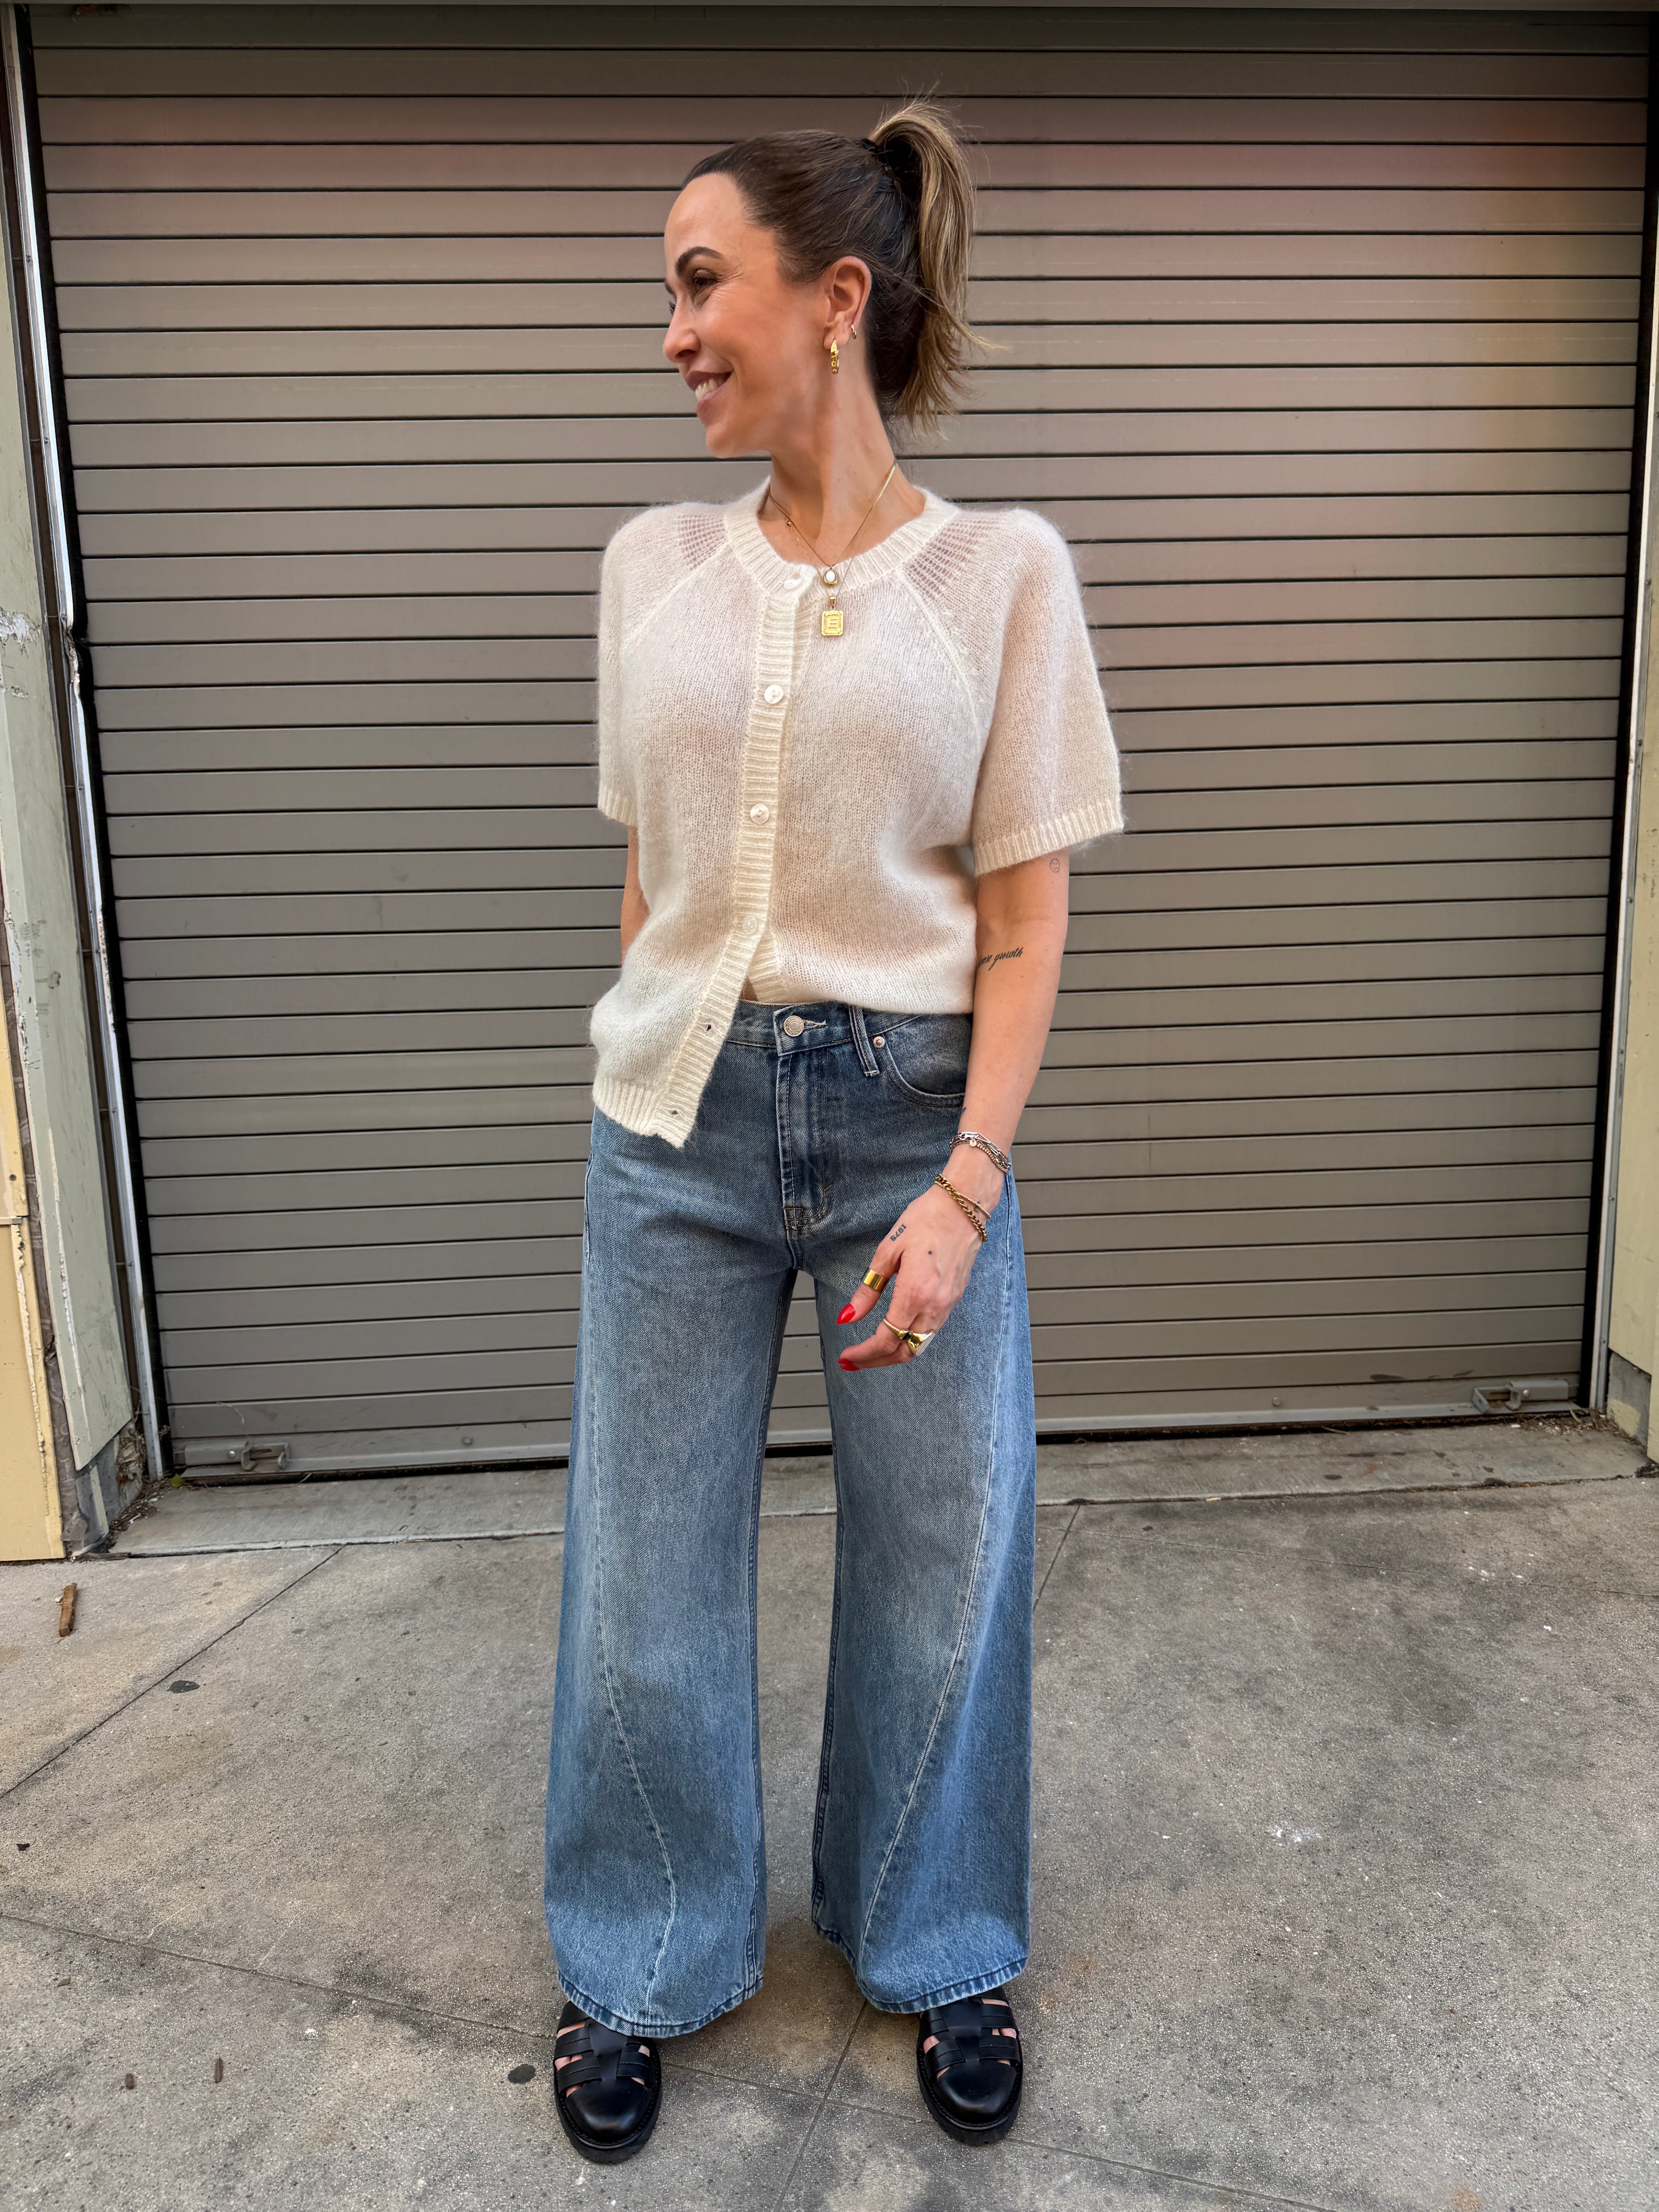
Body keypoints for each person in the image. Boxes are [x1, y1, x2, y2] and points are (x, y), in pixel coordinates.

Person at [543, 101, 1122, 2166]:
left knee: (946, 1554)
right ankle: (637, 1959)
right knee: (644, 1572)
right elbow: (649, 882)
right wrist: (637, 1061)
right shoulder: (650, 571)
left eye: (702, 283)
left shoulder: (1000, 577)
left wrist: (969, 1178)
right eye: (669, 294)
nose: (673, 331)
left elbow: (1030, 917)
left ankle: (937, 1930)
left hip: (907, 1128)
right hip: (675, 1122)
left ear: (836, 297)